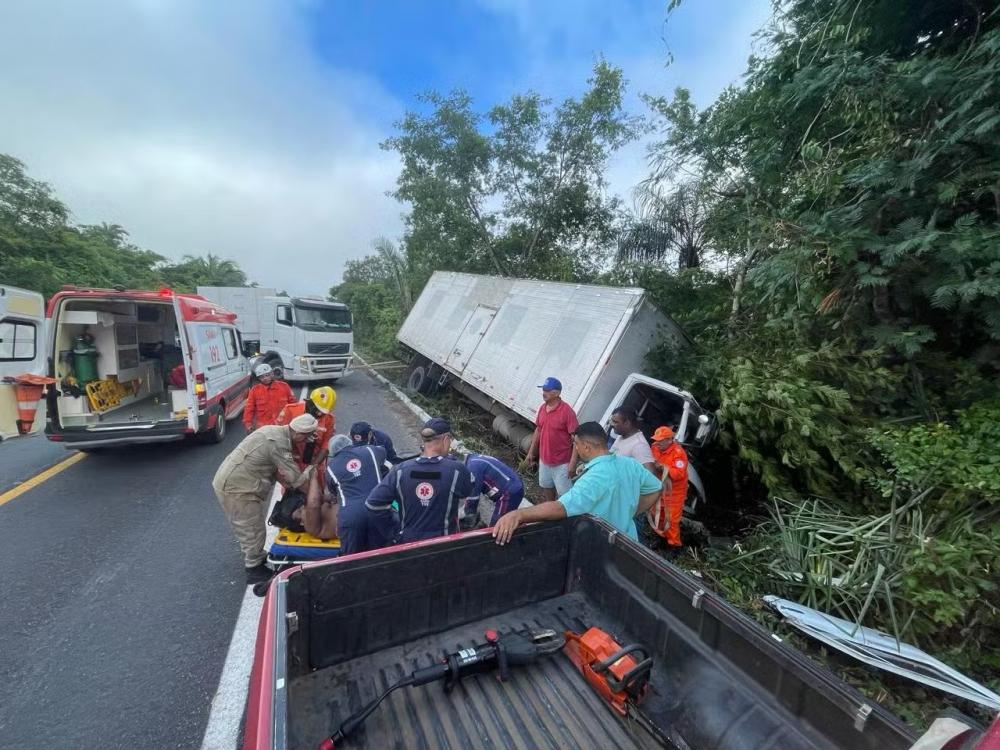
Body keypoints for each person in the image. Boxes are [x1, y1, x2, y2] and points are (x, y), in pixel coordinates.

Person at [494, 421, 661, 546]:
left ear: (586, 446)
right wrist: (629, 512)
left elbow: (560, 508)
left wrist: (518, 515)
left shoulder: (594, 477)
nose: (576, 448)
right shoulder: (629, 464)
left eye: (576, 444)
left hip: (600, 545)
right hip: (628, 542)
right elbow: (656, 488)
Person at [212, 414, 319, 584]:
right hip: (236, 487)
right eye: (306, 438)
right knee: (252, 528)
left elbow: (275, 468)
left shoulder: (274, 431)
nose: (305, 442)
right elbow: (297, 479)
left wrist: (288, 485)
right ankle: (254, 569)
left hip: (233, 478)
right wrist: (316, 496)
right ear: (298, 433)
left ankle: (258, 557)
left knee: (251, 526)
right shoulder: (278, 443)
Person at [366, 417, 475, 543]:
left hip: (408, 543)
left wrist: (393, 533)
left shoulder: (400, 471)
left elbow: (373, 504)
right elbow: (468, 491)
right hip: (443, 545)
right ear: (446, 439)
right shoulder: (456, 470)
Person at [324, 434, 396, 555]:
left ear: (333, 453)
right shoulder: (369, 450)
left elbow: (334, 493)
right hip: (376, 509)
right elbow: (384, 451)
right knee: (382, 553)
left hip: (350, 515)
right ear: (350, 443)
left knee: (351, 557)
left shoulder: (330, 468)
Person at [521, 377, 578, 502]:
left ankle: (562, 513)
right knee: (547, 486)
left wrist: (572, 463)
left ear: (557, 393)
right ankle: (549, 507)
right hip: (544, 460)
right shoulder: (543, 408)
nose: (544, 393)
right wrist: (531, 452)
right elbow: (538, 430)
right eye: (543, 390)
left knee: (565, 496)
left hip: (562, 463)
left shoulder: (567, 412)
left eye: (547, 390)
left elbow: (576, 439)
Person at [275, 386, 337, 466]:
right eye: (317, 410)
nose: (319, 414)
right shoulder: (290, 410)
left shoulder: (329, 419)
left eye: (323, 412)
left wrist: (313, 466)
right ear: (309, 402)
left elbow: (326, 445)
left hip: (315, 461)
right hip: (290, 460)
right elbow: (278, 438)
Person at [650, 426, 689, 548]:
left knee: (671, 520)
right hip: (659, 488)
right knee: (658, 514)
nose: (658, 443)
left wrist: (663, 468)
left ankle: (674, 545)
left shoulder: (678, 453)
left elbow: (679, 474)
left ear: (669, 440)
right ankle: (661, 538)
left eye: (661, 441)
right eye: (656, 440)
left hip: (674, 492)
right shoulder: (655, 447)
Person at [463, 453, 524, 527]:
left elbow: (472, 498)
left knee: (497, 527)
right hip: (514, 486)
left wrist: (469, 519)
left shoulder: (472, 468)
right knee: (506, 523)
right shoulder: (474, 459)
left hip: (509, 492)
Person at [243, 363, 295, 432]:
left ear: (272, 374)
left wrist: (296, 421)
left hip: (284, 425)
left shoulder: (284, 386)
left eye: (267, 375)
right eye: (261, 377)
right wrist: (248, 425)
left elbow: (293, 404)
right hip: (265, 429)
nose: (265, 378)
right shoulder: (254, 391)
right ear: (259, 378)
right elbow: (249, 409)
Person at [609, 407, 656, 474]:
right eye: (612, 420)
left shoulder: (639, 445)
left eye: (615, 422)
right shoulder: (622, 435)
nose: (611, 424)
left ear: (627, 423)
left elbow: (651, 475)